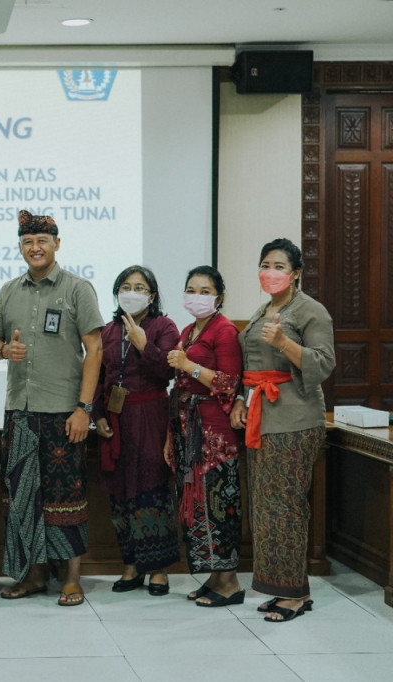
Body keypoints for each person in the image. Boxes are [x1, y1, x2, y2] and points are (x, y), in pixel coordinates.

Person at [0, 210, 103, 606]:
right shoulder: (8, 291)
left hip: (64, 412)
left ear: (57, 243)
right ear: (20, 247)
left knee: (66, 496)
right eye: (27, 242)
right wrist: (5, 350)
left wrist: (84, 408)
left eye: (42, 241)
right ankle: (33, 576)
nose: (34, 248)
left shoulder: (77, 289)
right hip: (19, 411)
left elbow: (95, 349)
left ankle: (71, 577)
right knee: (22, 497)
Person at [231, 238, 335, 622]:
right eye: (265, 264)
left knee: (287, 504)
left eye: (278, 265)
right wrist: (242, 399)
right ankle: (277, 588)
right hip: (262, 415)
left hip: (294, 418)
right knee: (265, 506)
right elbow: (252, 366)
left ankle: (296, 594)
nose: (269, 271)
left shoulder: (311, 311)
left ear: (295, 273)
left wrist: (285, 343)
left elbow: (324, 365)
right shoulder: (264, 310)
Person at [93, 265, 179, 597]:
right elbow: (101, 376)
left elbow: (168, 372)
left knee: (151, 492)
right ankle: (130, 563)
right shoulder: (108, 331)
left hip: (150, 417)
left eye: (140, 287)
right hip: (116, 419)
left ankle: (158, 569)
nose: (132, 292)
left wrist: (145, 346)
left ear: (152, 295)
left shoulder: (164, 326)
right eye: (126, 286)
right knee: (120, 495)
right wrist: (98, 414)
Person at [165, 266, 245, 606]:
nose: (196, 296)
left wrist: (189, 366)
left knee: (219, 503)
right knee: (199, 505)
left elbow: (229, 382)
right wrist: (171, 436)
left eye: (204, 290)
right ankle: (215, 578)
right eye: (190, 289)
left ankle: (230, 583)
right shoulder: (188, 330)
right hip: (188, 430)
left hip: (216, 435)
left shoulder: (224, 331)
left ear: (219, 297)